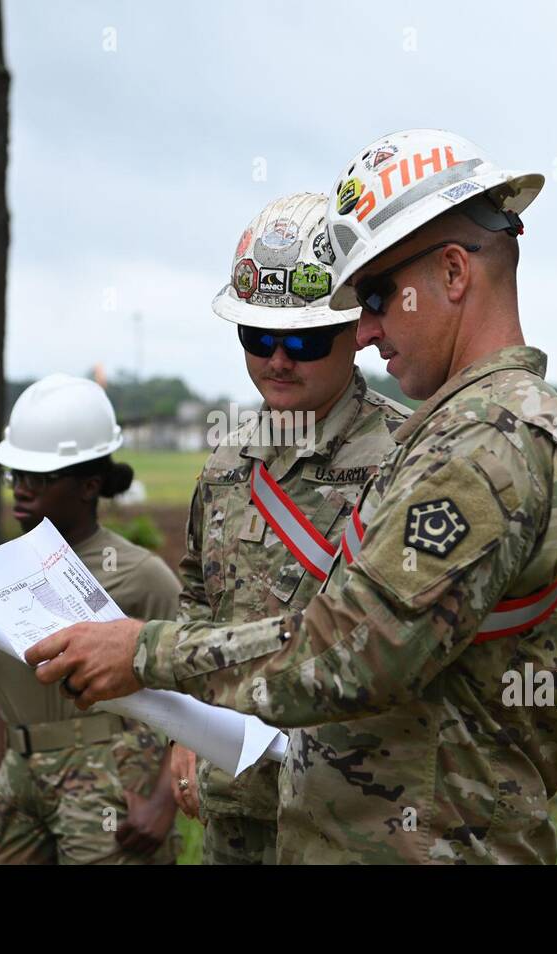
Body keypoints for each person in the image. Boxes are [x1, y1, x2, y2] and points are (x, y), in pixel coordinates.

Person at [26, 129, 557, 864]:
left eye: (374, 296)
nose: (364, 329)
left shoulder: (487, 440)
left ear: (454, 273)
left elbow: (357, 648)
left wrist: (144, 653)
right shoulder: (471, 430)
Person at [166, 192, 408, 864]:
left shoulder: (408, 455)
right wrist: (184, 731)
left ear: (356, 330)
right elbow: (198, 605)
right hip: (236, 803)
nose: (278, 359)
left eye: (302, 339)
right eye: (257, 338)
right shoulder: (225, 464)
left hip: (351, 812)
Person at [0, 374, 183, 865]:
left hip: (105, 783)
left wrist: (162, 805)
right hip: (18, 786)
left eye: (38, 479)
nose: (20, 489)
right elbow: (7, 691)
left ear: (89, 487)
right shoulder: (4, 571)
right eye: (14, 476)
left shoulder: (142, 576)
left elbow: (200, 691)